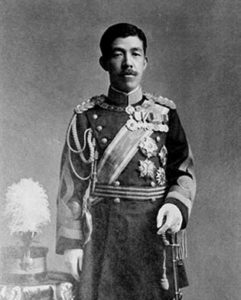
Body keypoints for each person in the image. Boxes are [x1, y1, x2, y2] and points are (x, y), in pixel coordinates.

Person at [56, 23, 196, 300]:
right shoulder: (86, 117)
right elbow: (71, 186)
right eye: (118, 54)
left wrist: (176, 205)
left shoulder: (165, 114)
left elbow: (184, 170)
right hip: (105, 237)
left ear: (146, 61)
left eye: (135, 53)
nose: (128, 63)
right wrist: (72, 244)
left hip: (152, 235)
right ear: (105, 62)